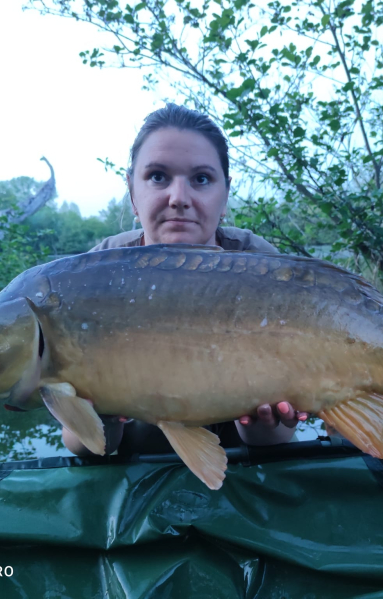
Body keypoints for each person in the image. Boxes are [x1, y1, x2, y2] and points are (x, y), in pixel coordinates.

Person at [62, 103, 308, 457]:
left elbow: (274, 440)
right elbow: (84, 447)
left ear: (225, 194)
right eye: (158, 176)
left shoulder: (259, 263)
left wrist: (263, 423)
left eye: (201, 179)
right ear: (132, 192)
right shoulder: (97, 270)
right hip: (137, 468)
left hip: (245, 466)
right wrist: (98, 417)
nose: (179, 198)